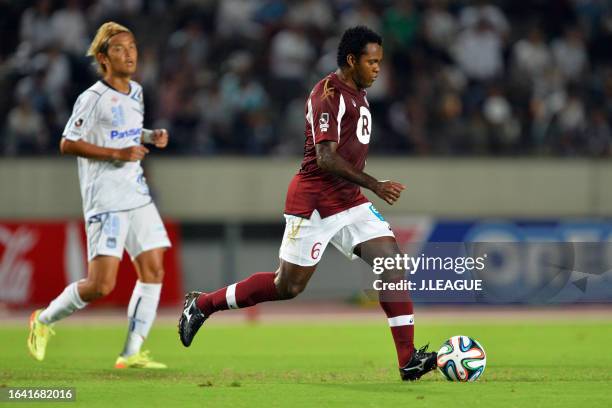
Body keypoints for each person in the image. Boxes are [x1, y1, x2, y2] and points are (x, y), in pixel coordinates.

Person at [178, 26, 437, 381]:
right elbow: (325, 158)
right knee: (288, 286)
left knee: (391, 264)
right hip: (314, 201)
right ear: (351, 60)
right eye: (371, 61)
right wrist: (375, 184)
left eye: (380, 61)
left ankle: (407, 359)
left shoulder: (359, 93)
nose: (378, 68)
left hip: (349, 200)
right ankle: (202, 304)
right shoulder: (327, 94)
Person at [27, 22, 171, 369]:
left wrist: (151, 136)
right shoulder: (91, 98)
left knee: (153, 269)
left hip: (136, 193)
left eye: (132, 46)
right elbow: (67, 142)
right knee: (100, 285)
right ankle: (43, 321)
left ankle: (131, 352)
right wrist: (117, 155)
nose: (130, 54)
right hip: (105, 199)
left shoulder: (135, 91)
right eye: (120, 49)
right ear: (104, 58)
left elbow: (127, 130)